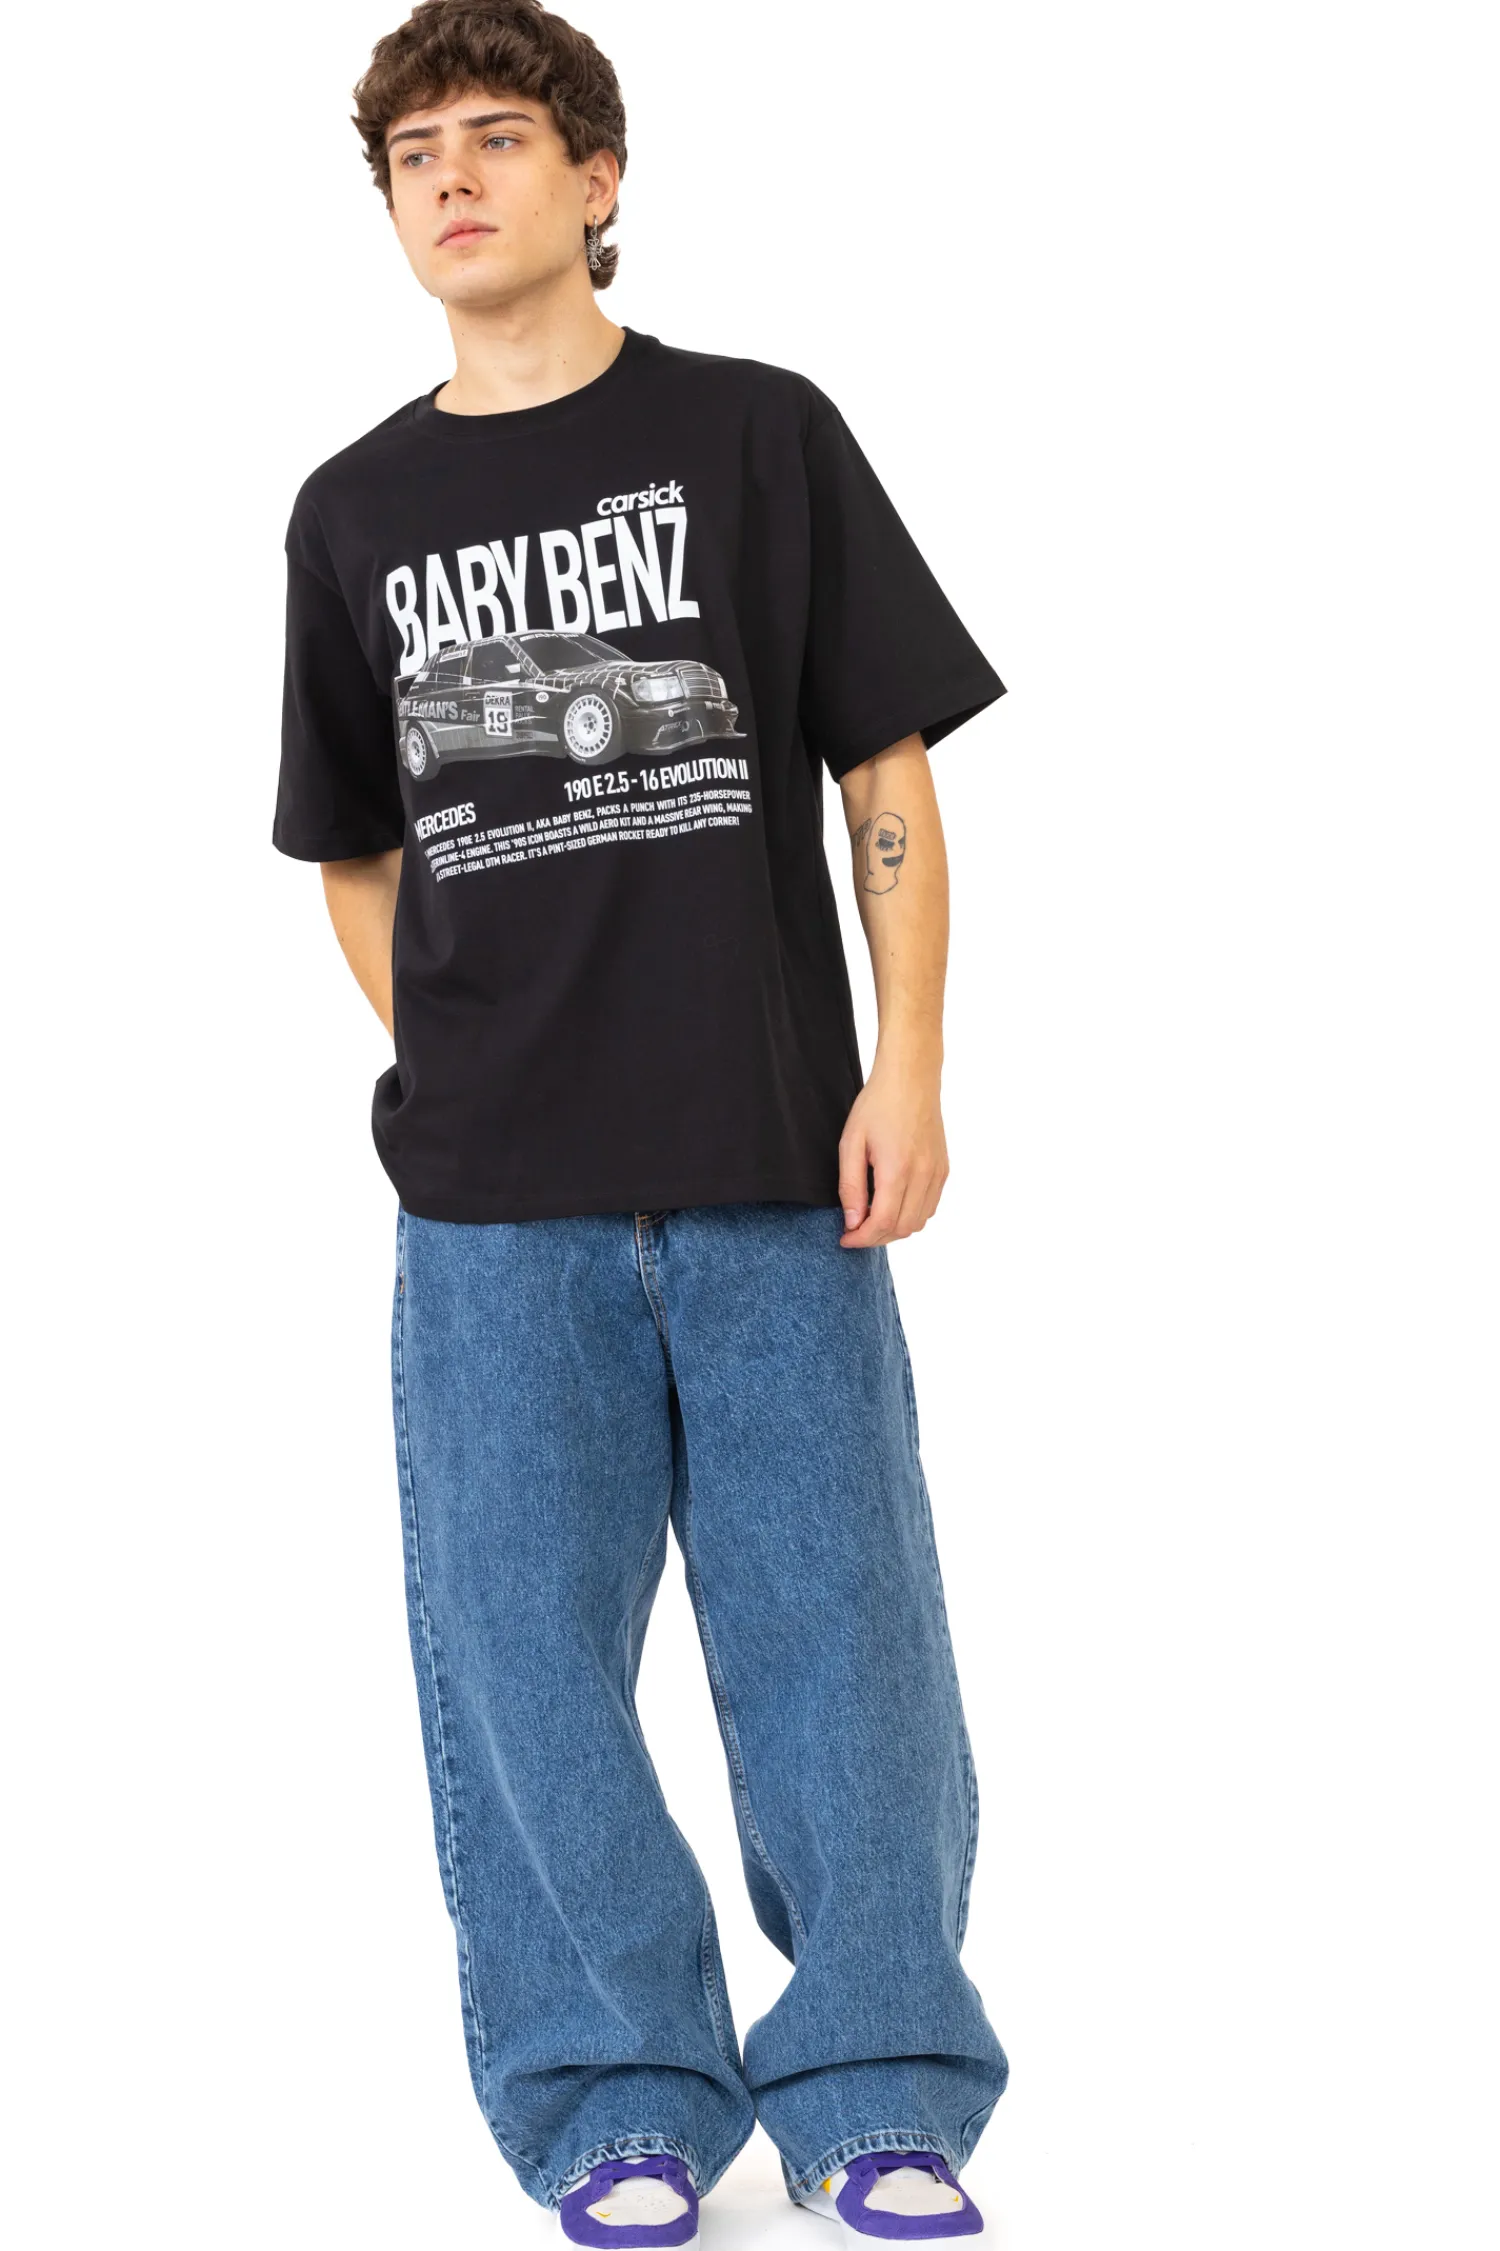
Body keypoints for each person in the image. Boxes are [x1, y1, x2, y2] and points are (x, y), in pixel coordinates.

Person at [271, 3, 1010, 2241]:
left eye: (499, 136)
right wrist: (468, 1062)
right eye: (415, 151)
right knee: (524, 1673)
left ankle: (878, 2083)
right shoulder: (353, 512)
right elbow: (353, 852)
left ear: (596, 180)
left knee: (844, 1646)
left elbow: (884, 766)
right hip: (494, 1210)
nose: (453, 176)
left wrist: (908, 1065)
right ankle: (619, 2100)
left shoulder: (757, 434)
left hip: (780, 1162)